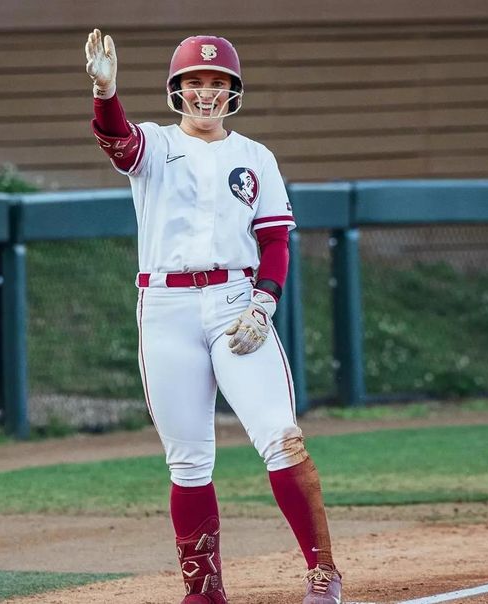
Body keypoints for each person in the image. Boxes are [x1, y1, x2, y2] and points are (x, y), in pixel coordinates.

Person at [84, 29, 342, 604]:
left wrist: (264, 302)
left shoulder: (255, 157)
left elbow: (274, 242)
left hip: (234, 300)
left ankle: (323, 573)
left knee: (281, 436)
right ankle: (204, 592)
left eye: (217, 82)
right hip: (166, 307)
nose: (206, 92)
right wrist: (106, 92)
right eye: (194, 82)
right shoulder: (153, 144)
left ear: (233, 91)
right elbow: (117, 141)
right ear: (177, 91)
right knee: (189, 460)